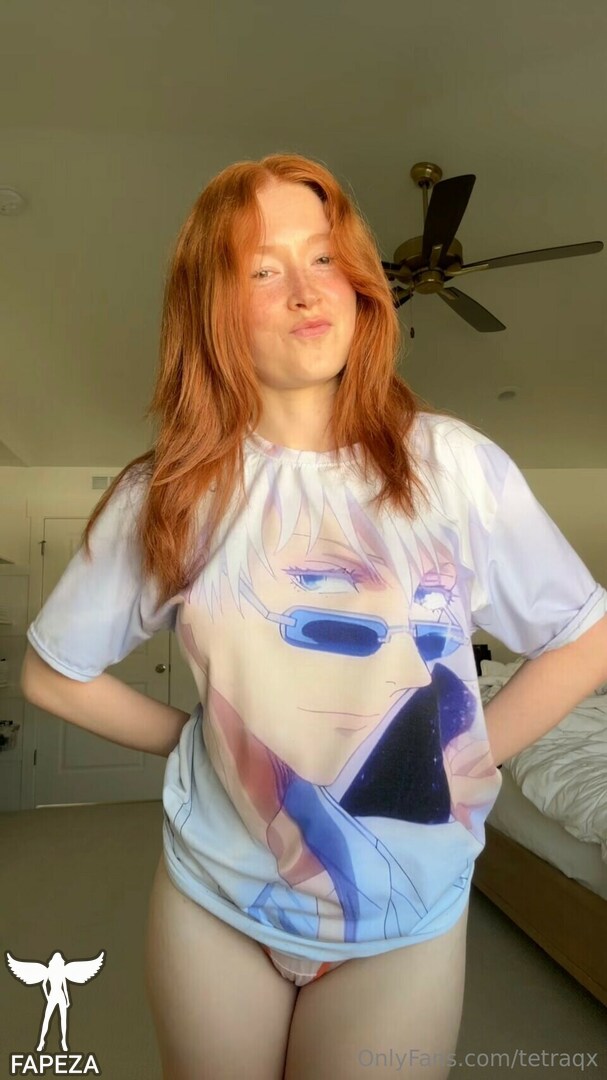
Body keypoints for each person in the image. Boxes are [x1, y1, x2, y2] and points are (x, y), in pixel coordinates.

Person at [21, 153, 607, 1080]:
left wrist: (469, 753)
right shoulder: (168, 493)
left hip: (405, 918)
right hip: (217, 902)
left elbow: (586, 636)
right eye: (263, 269)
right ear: (211, 308)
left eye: (324, 257)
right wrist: (194, 739)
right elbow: (53, 675)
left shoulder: (454, 467)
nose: (305, 289)